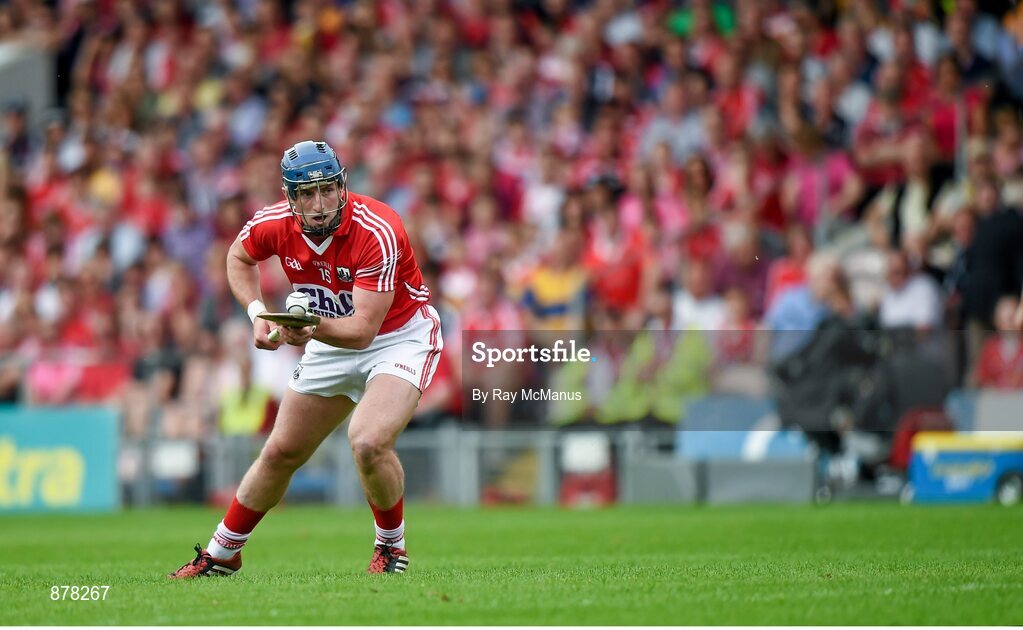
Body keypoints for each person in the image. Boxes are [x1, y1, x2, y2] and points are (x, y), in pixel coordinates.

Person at [169, 141, 443, 577]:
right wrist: (257, 313)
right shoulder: (273, 223)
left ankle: (391, 549)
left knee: (368, 441)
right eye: (307, 194)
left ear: (342, 186)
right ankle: (222, 555)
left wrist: (308, 330)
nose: (320, 204)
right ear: (290, 197)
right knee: (280, 451)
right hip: (329, 337)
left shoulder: (378, 229)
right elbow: (238, 258)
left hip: (398, 337)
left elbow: (363, 330)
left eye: (328, 190)